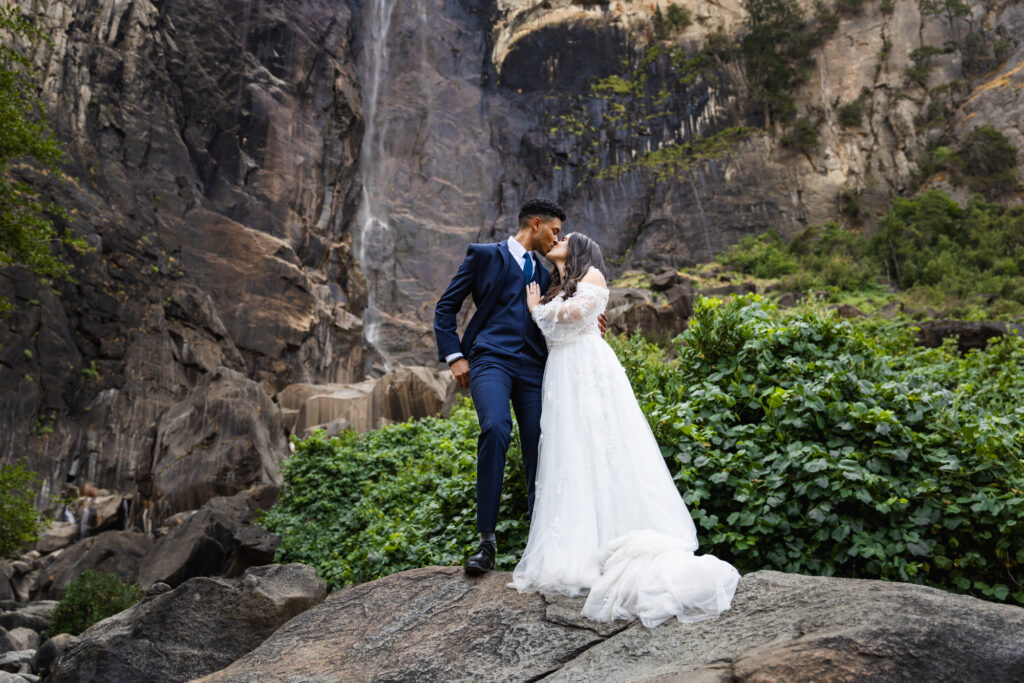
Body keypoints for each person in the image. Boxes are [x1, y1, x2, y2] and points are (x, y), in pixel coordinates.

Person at [509, 232, 740, 627]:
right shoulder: (554, 286)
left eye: (564, 237)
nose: (556, 239)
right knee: (570, 454)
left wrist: (536, 310)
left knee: (602, 446)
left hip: (587, 368)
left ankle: (612, 537)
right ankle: (579, 547)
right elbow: (556, 327)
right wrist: (542, 307)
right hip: (562, 374)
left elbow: (574, 317)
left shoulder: (592, 275)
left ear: (579, 249)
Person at [434, 198, 573, 575]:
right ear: (536, 223)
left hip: (532, 367)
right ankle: (486, 542)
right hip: (489, 358)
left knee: (539, 445)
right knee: (495, 428)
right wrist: (454, 356)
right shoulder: (483, 255)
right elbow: (446, 307)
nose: (556, 238)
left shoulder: (545, 275)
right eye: (555, 231)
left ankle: (541, 544)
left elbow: (564, 314)